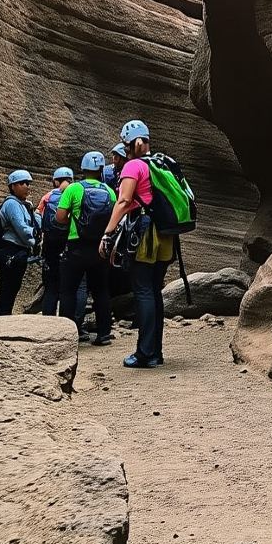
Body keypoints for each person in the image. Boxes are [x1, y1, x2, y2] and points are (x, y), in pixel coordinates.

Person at [99, 119, 172, 369]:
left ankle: (145, 354)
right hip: (164, 232)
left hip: (143, 232)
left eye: (124, 144)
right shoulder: (161, 163)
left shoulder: (134, 167)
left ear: (131, 143)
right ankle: (155, 352)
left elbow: (123, 202)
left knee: (142, 290)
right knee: (154, 290)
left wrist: (107, 234)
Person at [56, 152, 116, 344]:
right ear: (100, 170)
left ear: (82, 169)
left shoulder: (73, 189)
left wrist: (71, 223)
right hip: (100, 247)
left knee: (68, 290)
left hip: (76, 245)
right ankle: (104, 333)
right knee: (101, 291)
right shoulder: (109, 191)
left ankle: (67, 334)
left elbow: (59, 217)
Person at [0, 169, 41, 317]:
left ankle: (3, 317)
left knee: (12, 287)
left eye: (28, 183)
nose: (27, 186)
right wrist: (35, 242)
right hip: (10, 251)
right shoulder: (12, 204)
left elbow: (33, 224)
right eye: (22, 183)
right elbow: (22, 229)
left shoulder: (23, 205)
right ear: (13, 186)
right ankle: (1, 319)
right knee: (8, 288)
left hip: (18, 252)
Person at [38, 167, 79, 318]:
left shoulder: (48, 196)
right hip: (69, 245)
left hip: (50, 245)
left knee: (51, 288)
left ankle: (49, 323)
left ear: (56, 180)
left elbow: (39, 216)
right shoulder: (77, 192)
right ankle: (69, 325)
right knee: (69, 289)